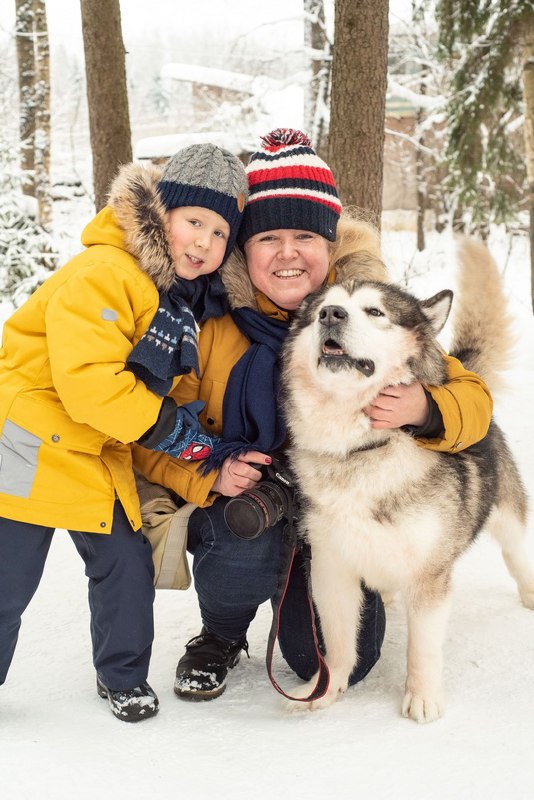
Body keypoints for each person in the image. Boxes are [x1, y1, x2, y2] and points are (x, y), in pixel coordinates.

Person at [133, 128, 493, 701]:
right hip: (250, 503)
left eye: (305, 235)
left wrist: (427, 407)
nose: (287, 253)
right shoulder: (205, 324)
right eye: (268, 237)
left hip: (345, 509)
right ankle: (220, 634)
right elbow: (147, 426)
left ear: (329, 247)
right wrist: (207, 474)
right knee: (238, 537)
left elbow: (473, 400)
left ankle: (331, 597)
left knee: (323, 661)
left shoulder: (365, 313)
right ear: (244, 250)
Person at [0, 143, 248, 721]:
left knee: (124, 563)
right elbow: (90, 382)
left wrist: (192, 437)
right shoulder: (105, 272)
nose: (204, 243)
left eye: (219, 234)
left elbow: (170, 387)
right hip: (29, 443)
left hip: (95, 451)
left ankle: (123, 676)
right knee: (8, 574)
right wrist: (171, 432)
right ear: (161, 215)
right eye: (193, 222)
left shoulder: (175, 302)